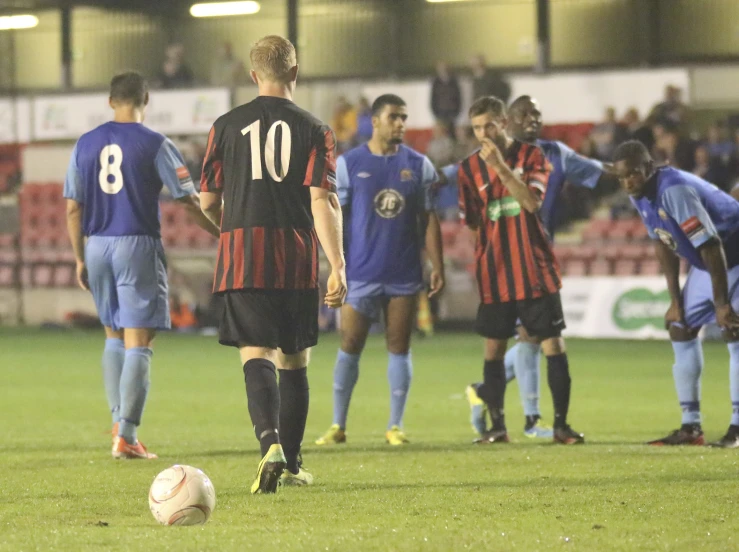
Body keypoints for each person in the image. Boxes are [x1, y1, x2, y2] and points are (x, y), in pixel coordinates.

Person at [199, 35, 346, 493]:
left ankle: (270, 445)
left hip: (243, 255)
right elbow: (322, 199)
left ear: (253, 75)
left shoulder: (224, 126)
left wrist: (232, 228)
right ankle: (295, 461)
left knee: (254, 353)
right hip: (296, 258)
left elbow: (206, 200)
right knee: (295, 360)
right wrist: (337, 265)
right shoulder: (316, 129)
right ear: (295, 74)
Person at [63, 71, 219, 459]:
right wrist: (222, 233)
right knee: (140, 342)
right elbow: (186, 198)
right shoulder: (154, 143)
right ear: (145, 101)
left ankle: (119, 424)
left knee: (113, 335)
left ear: (110, 101)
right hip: (135, 243)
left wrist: (80, 256)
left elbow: (71, 207)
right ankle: (128, 437)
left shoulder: (85, 143)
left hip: (96, 245)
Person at [463, 95, 614, 439]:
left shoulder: (536, 156)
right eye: (476, 128)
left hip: (533, 266)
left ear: (503, 123)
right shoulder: (468, 168)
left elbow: (531, 202)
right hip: (497, 271)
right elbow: (474, 223)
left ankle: (559, 425)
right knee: (495, 347)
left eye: (489, 125)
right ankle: (500, 427)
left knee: (552, 344)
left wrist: (501, 167)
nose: (483, 133)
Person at [314, 94, 445, 447]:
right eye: (394, 117)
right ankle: (338, 425)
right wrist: (336, 267)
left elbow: (429, 217)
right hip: (360, 273)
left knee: (398, 346)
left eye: (404, 117)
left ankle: (395, 425)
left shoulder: (419, 165)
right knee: (350, 344)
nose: (400, 123)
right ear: (374, 121)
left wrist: (437, 265)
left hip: (403, 273)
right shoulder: (349, 164)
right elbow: (335, 217)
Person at [613, 140, 739, 447]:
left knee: (733, 329)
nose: (629, 181)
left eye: (634, 174)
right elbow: (662, 241)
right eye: (623, 176)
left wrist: (721, 304)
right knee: (680, 327)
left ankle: (737, 427)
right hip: (710, 262)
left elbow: (711, 245)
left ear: (649, 167)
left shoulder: (673, 190)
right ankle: (690, 427)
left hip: (732, 254)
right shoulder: (639, 193)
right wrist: (674, 301)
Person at [431, 61, 462, 136]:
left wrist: (456, 113)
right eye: (441, 69)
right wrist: (436, 114)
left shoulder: (454, 81)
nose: (444, 70)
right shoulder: (436, 82)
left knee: (451, 136)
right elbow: (432, 100)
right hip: (440, 114)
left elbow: (459, 99)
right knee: (441, 136)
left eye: (445, 68)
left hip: (452, 115)